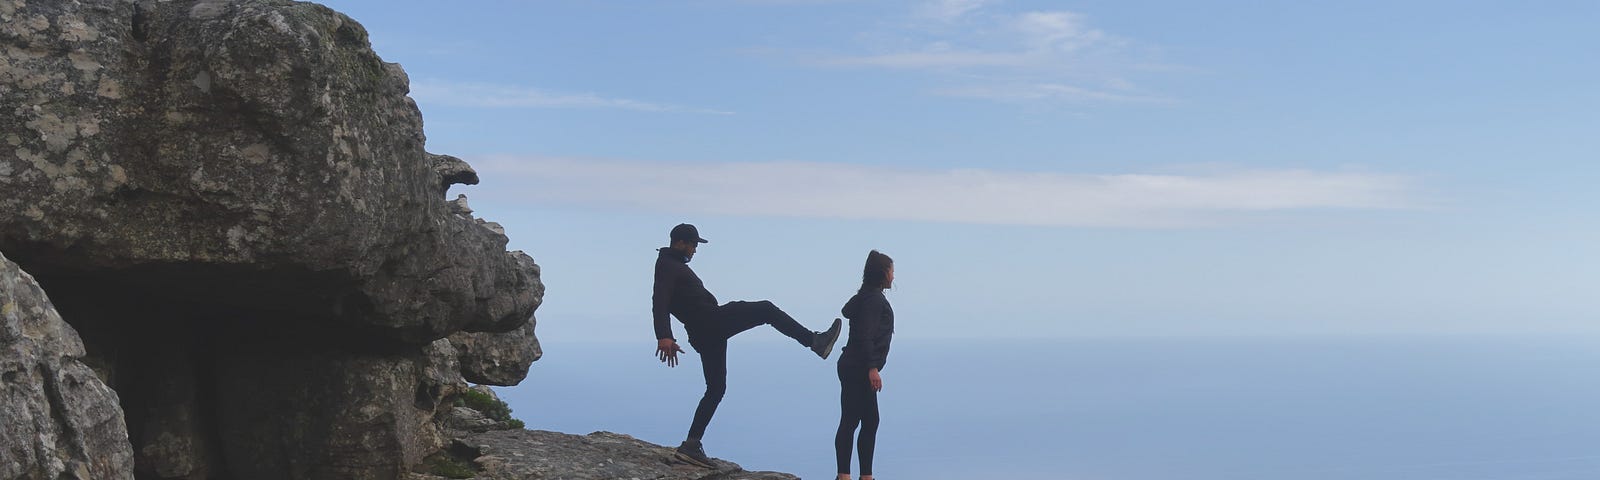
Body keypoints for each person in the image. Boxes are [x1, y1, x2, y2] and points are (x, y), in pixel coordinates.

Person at [652, 223, 844, 468]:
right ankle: (815, 342)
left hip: (705, 332)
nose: (694, 250)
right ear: (679, 242)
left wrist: (666, 334)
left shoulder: (671, 265)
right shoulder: (668, 266)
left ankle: (691, 444)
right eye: (692, 244)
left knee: (716, 388)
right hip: (711, 322)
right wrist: (664, 336)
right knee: (766, 309)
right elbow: (659, 300)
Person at [835, 250, 894, 480]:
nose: (893, 277)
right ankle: (848, 476)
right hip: (859, 368)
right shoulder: (874, 300)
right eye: (891, 271)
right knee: (856, 420)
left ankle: (858, 476)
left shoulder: (866, 296)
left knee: (864, 420)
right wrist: (872, 368)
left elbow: (847, 310)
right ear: (882, 273)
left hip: (852, 365)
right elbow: (865, 335)